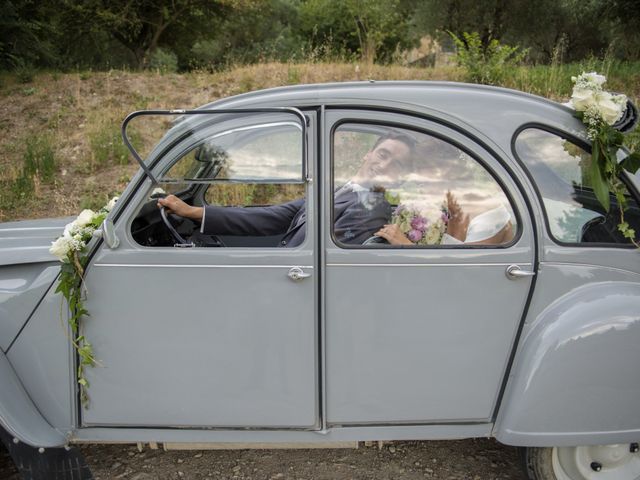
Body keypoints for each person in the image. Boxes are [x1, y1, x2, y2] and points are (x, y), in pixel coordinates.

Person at [157, 130, 417, 247]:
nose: (385, 166)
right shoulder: (343, 191)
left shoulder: (370, 209)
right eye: (383, 155)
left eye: (396, 164)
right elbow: (274, 217)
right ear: (367, 155)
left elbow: (331, 263)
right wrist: (193, 212)